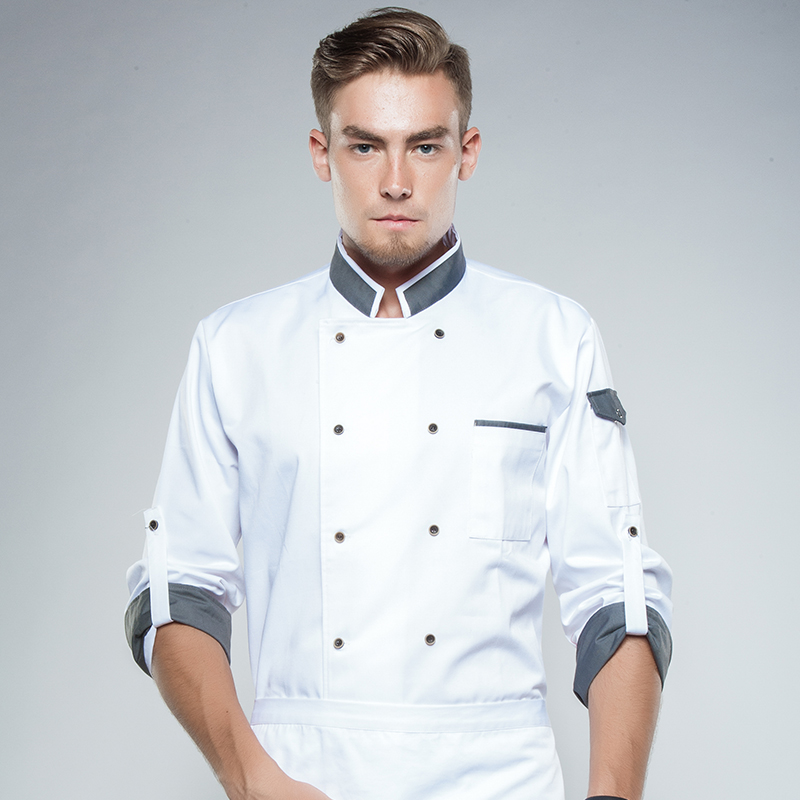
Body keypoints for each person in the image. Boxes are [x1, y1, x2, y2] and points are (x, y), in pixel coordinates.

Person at [125, 8, 672, 800]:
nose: (395, 181)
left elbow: (616, 600)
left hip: (501, 776)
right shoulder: (236, 345)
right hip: (301, 772)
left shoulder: (553, 336)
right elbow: (178, 588)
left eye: (425, 145)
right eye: (364, 146)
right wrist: (252, 780)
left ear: (466, 152)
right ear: (322, 154)